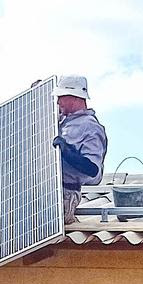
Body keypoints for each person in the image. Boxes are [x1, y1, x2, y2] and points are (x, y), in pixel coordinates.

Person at [52, 75, 106, 225]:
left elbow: (93, 169)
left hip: (65, 195)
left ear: (75, 98)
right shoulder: (61, 119)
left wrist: (68, 152)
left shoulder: (90, 127)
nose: (58, 101)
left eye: (61, 97)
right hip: (47, 191)